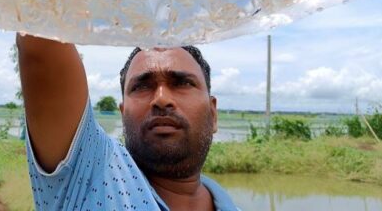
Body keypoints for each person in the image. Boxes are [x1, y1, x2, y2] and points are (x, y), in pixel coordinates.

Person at [17, 34, 240, 211]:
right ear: (123, 114)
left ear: (213, 114)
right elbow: (40, 33)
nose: (162, 98)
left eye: (181, 83)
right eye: (142, 86)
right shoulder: (87, 174)